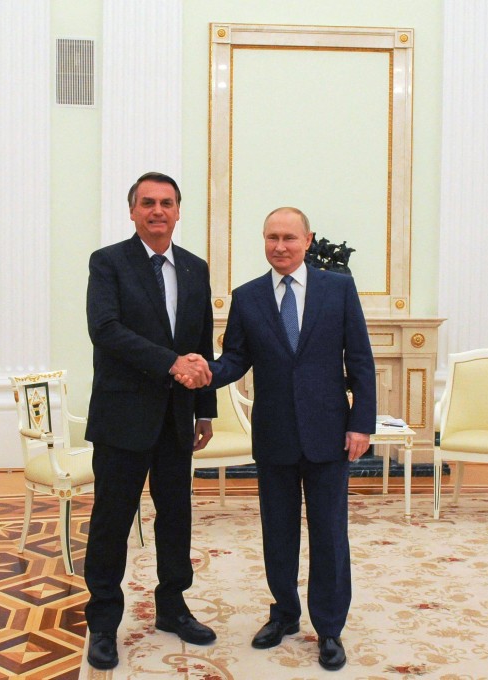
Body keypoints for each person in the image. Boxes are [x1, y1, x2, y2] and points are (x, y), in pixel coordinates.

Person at [180, 206, 376, 671]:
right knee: (279, 534)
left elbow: (361, 360)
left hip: (330, 434)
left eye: (289, 237)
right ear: (264, 241)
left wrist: (361, 424)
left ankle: (329, 628)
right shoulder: (247, 298)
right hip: (275, 436)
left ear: (307, 240)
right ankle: (285, 613)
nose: (280, 246)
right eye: (272, 238)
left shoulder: (338, 289)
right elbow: (235, 360)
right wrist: (203, 371)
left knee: (329, 535)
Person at [82, 172, 218, 671]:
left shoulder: (196, 268)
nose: (157, 211)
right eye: (147, 203)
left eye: (166, 203)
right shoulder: (109, 263)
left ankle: (173, 607)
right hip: (122, 417)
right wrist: (170, 363)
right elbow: (106, 330)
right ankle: (102, 621)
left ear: (179, 211)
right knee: (111, 522)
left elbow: (201, 338)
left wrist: (205, 408)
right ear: (133, 211)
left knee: (176, 518)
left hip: (178, 418)